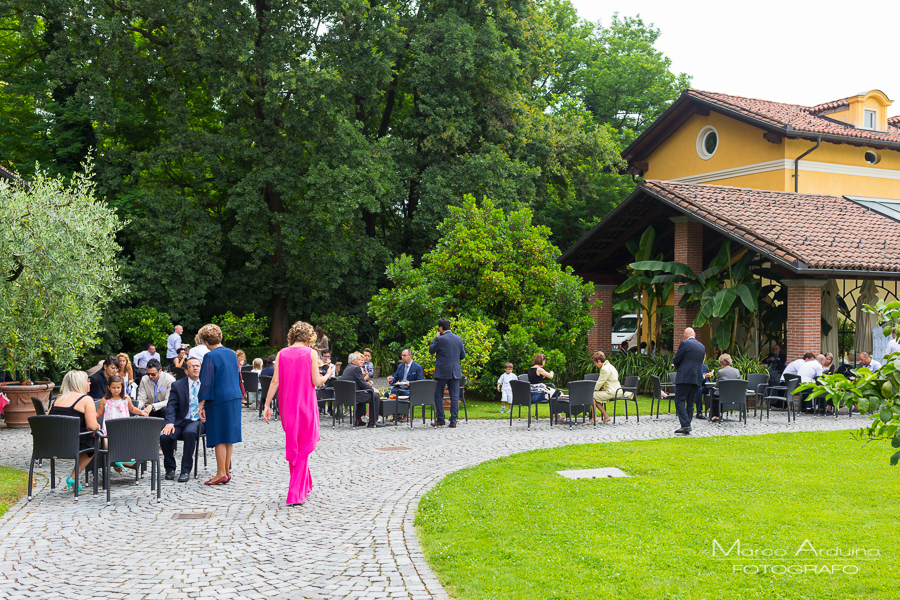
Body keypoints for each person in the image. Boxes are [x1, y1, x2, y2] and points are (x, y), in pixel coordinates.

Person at [264, 321, 334, 505]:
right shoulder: (311, 353)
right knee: (302, 447)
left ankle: (306, 484)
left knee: (295, 442)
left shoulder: (281, 353)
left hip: (287, 406)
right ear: (308, 336)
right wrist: (328, 374)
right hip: (305, 405)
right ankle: (295, 493)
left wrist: (266, 405)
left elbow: (274, 382)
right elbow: (316, 381)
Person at [197, 323, 244, 486]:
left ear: (205, 341)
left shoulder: (210, 356)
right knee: (228, 437)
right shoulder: (232, 353)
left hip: (219, 399)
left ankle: (220, 473)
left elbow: (206, 382)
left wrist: (201, 404)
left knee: (218, 437)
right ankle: (226, 472)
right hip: (234, 398)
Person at [49, 370, 100, 492]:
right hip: (75, 444)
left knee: (95, 439)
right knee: (99, 439)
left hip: (53, 445)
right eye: (87, 381)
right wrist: (98, 427)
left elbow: (46, 419)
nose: (90, 383)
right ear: (79, 383)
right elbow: (92, 427)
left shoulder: (57, 400)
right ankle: (121, 461)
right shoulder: (86, 399)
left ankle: (74, 477)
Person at [160, 357, 203, 482]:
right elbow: (171, 406)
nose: (195, 368)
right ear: (186, 371)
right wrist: (169, 423)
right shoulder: (177, 385)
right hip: (181, 420)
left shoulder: (207, 384)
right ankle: (170, 468)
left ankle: (185, 470)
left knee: (190, 433)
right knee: (165, 436)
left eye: (197, 366)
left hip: (198, 421)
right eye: (191, 366)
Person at [97, 375, 147, 471]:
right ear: (108, 387)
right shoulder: (105, 400)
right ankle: (118, 461)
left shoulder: (126, 398)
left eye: (118, 387)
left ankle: (118, 461)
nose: (116, 390)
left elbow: (132, 409)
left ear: (122, 387)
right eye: (113, 387)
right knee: (105, 442)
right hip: (108, 432)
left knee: (127, 441)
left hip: (124, 431)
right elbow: (99, 413)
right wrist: (92, 415)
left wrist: (141, 412)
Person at [429, 318, 466, 428]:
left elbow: (431, 350)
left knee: (438, 395)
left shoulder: (440, 339)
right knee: (454, 397)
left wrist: (436, 338)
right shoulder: (458, 339)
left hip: (442, 372)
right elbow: (463, 356)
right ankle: (453, 420)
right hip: (455, 371)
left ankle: (440, 418)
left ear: (440, 328)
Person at [671, 328, 706, 435]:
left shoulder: (684, 344)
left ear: (684, 336)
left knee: (679, 399)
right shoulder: (702, 346)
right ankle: (687, 426)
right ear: (694, 334)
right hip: (696, 377)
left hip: (685, 377)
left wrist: (678, 367)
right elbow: (700, 362)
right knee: (690, 402)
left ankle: (686, 425)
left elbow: (676, 359)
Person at [338, 352, 384, 428]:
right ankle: (372, 422)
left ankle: (358, 420)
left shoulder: (348, 367)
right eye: (360, 360)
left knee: (364, 393)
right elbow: (362, 384)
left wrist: (367, 384)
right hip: (354, 395)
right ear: (353, 361)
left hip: (346, 396)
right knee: (375, 396)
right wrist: (373, 389)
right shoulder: (356, 368)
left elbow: (358, 382)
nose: (362, 361)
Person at [708, 354, 740, 423]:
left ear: (721, 362)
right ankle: (715, 413)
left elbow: (717, 386)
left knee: (712, 392)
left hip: (723, 395)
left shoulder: (720, 372)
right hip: (735, 395)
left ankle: (714, 414)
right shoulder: (737, 371)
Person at [588, 352, 617, 424]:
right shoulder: (610, 366)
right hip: (616, 390)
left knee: (591, 396)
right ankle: (606, 416)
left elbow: (600, 382)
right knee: (595, 397)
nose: (595, 365)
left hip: (612, 391)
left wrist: (592, 389)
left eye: (595, 363)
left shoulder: (604, 368)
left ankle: (594, 418)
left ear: (599, 361)